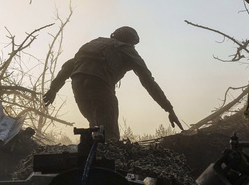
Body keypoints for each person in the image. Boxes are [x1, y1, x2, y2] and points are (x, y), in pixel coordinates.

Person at [43, 26, 182, 142]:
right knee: (110, 136)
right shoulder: (126, 49)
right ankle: (108, 171)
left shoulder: (92, 44)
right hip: (100, 87)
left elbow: (68, 67)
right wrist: (169, 108)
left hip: (78, 86)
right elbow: (148, 80)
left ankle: (89, 166)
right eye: (133, 44)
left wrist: (53, 89)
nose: (133, 46)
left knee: (95, 128)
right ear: (130, 42)